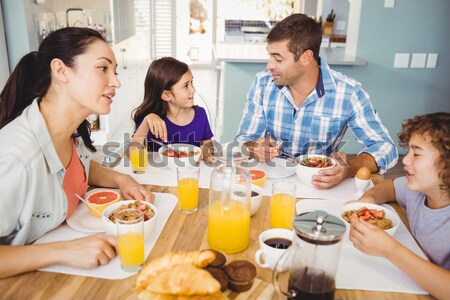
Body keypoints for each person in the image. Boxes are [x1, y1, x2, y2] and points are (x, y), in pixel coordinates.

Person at [0, 27, 154, 278]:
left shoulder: (70, 132)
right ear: (61, 70)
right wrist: (63, 251)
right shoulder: (15, 159)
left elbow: (79, 167)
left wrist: (119, 179)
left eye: (113, 71)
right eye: (103, 68)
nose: (116, 81)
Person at [235, 13, 398, 189]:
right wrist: (254, 148)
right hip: (269, 182)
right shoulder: (263, 83)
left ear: (306, 58)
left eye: (278, 58)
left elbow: (385, 147)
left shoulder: (348, 92)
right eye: (270, 56)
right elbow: (244, 139)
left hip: (318, 184)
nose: (269, 65)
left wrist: (350, 168)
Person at [349, 112, 450, 299]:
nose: (405, 160)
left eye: (417, 153)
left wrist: (390, 249)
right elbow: (390, 187)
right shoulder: (417, 190)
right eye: (408, 151)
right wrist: (369, 199)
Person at [132, 57, 214, 159]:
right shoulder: (151, 121)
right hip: (160, 173)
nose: (193, 89)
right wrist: (146, 121)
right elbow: (132, 154)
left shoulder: (200, 114)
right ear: (166, 95)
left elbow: (209, 146)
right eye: (186, 86)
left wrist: (206, 151)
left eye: (191, 83)